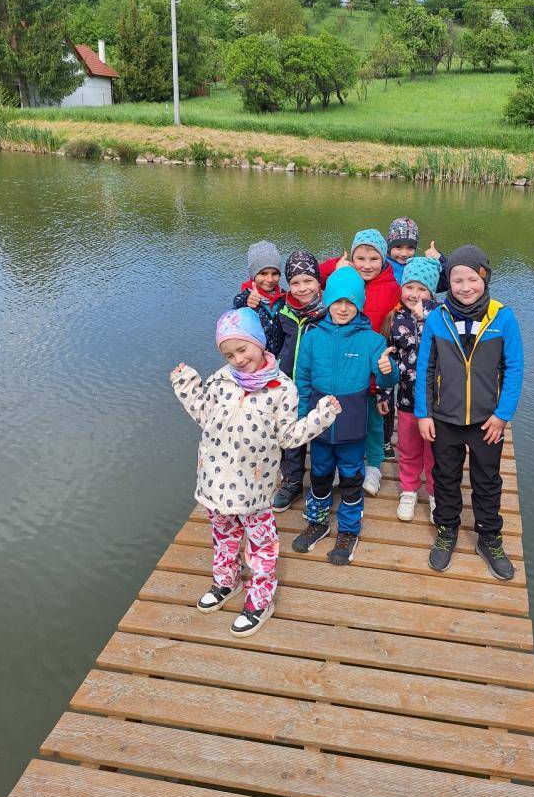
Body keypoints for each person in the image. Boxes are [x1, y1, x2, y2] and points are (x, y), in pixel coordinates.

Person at [170, 307, 340, 635]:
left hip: (254, 487)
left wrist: (321, 416)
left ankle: (260, 597)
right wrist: (187, 385)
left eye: (243, 348)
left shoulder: (282, 388)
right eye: (228, 353)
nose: (237, 358)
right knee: (223, 536)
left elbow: (289, 436)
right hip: (214, 483)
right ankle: (226, 582)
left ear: (260, 343)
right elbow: (205, 416)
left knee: (262, 544)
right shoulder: (221, 379)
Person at [415, 245, 523, 580]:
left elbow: (515, 368)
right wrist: (424, 413)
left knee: (487, 481)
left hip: (486, 420)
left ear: (484, 277)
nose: (465, 286)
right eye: (457, 279)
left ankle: (489, 537)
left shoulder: (502, 317)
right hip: (444, 418)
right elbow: (425, 369)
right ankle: (447, 530)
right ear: (448, 281)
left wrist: (502, 414)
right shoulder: (437, 317)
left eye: (472, 279)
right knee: (445, 478)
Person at [293, 266, 399, 565]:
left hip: (353, 427)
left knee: (352, 478)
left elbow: (387, 383)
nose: (342, 308)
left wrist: (387, 371)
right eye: (337, 301)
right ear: (327, 301)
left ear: (360, 304)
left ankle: (349, 530)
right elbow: (301, 381)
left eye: (350, 302)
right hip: (319, 427)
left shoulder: (372, 340)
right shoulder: (313, 337)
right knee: (320, 475)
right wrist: (302, 420)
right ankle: (318, 521)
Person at [320, 230, 400, 495]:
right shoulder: (345, 278)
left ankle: (374, 466)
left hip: (377, 364)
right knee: (341, 416)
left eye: (374, 258)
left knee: (375, 420)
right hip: (344, 364)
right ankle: (337, 464)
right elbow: (315, 274)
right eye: (360, 258)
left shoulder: (392, 288)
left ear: (384, 258)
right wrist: (336, 265)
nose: (366, 265)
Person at [377, 256, 440, 522]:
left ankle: (437, 494)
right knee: (408, 447)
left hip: (438, 403)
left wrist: (424, 318)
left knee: (435, 452)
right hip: (405, 399)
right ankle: (409, 490)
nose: (414, 294)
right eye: (409, 287)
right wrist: (383, 393)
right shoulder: (394, 319)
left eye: (422, 289)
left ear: (432, 292)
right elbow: (386, 359)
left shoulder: (440, 317)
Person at [383, 217, 447, 458]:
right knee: (405, 437)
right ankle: (386, 441)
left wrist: (440, 259)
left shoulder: (439, 314)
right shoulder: (384, 267)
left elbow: (448, 279)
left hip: (436, 395)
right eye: (398, 247)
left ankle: (434, 488)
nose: (403, 252)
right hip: (398, 338)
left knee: (433, 448)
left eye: (409, 247)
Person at [271, 249, 327, 512]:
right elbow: (275, 346)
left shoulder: (330, 312)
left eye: (308, 281)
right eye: (295, 282)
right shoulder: (283, 310)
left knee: (320, 433)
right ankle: (292, 481)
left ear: (319, 282)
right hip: (288, 385)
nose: (302, 288)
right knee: (289, 433)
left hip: (318, 386)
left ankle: (321, 481)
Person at [233, 240, 285, 355]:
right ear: (253, 275)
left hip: (280, 361)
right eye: (263, 273)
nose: (270, 279)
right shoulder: (246, 297)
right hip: (256, 361)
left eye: (274, 273)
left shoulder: (285, 298)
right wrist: (247, 301)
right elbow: (235, 310)